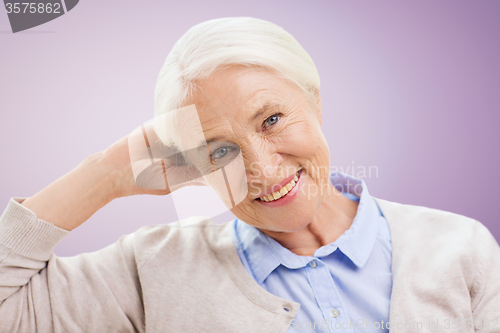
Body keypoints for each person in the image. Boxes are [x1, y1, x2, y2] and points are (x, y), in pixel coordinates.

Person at [1, 17, 499, 333]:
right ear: (192, 165)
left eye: (272, 120)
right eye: (219, 151)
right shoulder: (153, 270)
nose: (261, 169)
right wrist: (106, 173)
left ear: (315, 100)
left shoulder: (458, 245)